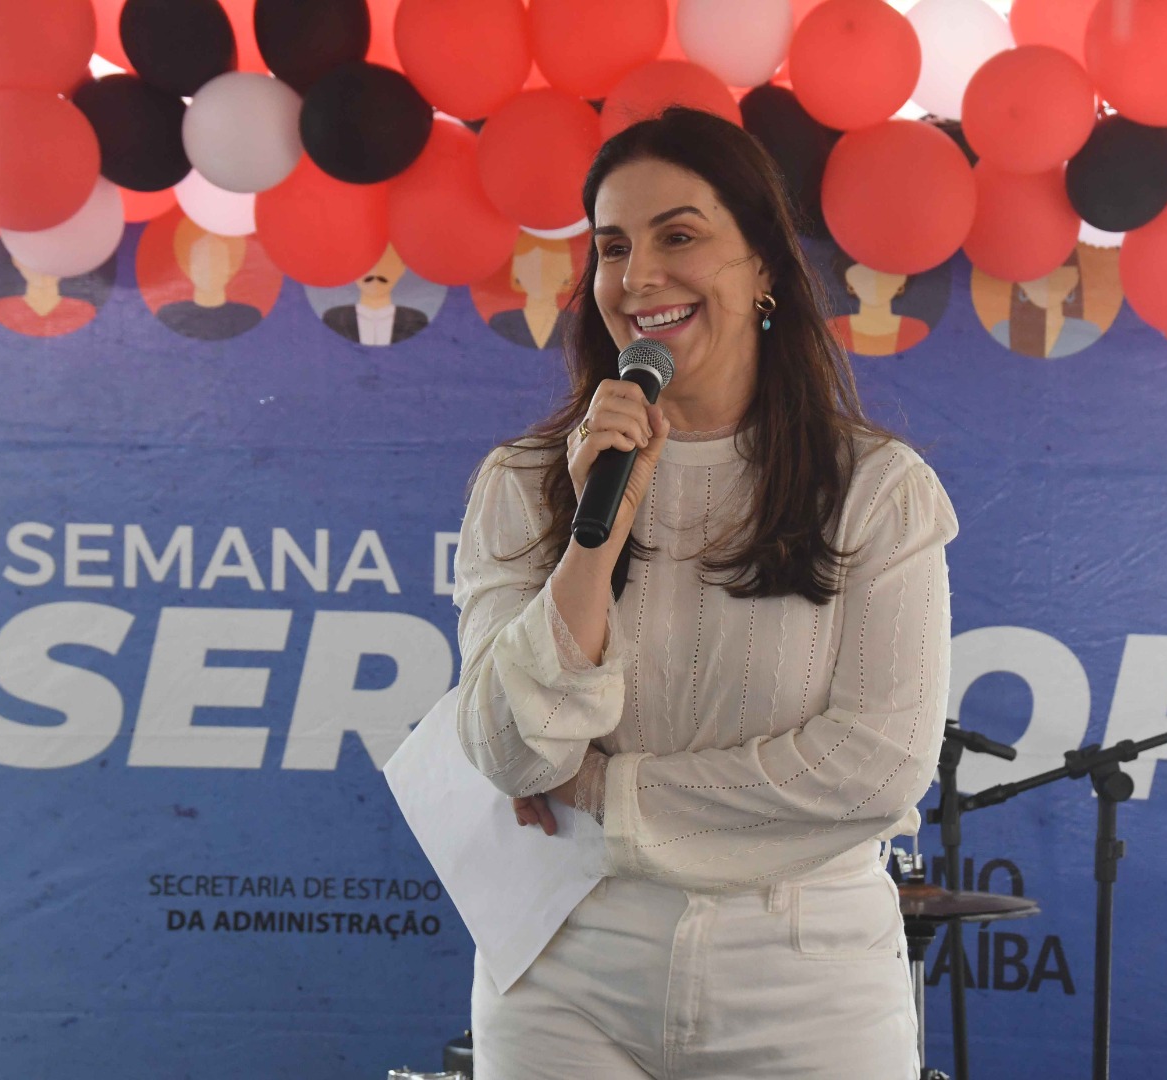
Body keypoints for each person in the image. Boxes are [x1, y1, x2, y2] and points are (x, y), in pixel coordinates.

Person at [453, 108, 957, 1079]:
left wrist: (604, 790)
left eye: (678, 235)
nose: (638, 278)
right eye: (611, 248)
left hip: (805, 982)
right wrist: (590, 550)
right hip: (563, 970)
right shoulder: (526, 482)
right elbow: (512, 753)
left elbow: (878, 764)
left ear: (764, 264)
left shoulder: (876, 490)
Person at [156, 218, 263, 341]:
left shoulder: (247, 317)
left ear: (229, 268)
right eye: (201, 262)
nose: (209, 269)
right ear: (189, 268)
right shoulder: (169, 315)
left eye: (217, 262)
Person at [988, 249, 1103, 359]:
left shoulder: (1089, 332)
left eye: (1058, 275)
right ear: (1020, 281)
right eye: (1036, 273)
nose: (1046, 281)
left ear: (1074, 278)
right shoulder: (1001, 331)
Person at [322, 243, 429, 346]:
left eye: (387, 262)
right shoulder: (334, 320)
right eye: (365, 261)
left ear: (402, 268)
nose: (376, 270)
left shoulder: (415, 321)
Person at [487, 233, 577, 349]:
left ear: (568, 275)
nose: (540, 275)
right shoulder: (500, 322)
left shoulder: (576, 323)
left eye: (551, 266)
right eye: (530, 266)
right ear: (515, 274)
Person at [827, 253, 930, 356]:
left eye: (886, 273)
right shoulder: (832, 329)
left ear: (902, 282)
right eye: (864, 273)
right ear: (848, 282)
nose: (875, 281)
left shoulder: (915, 330)